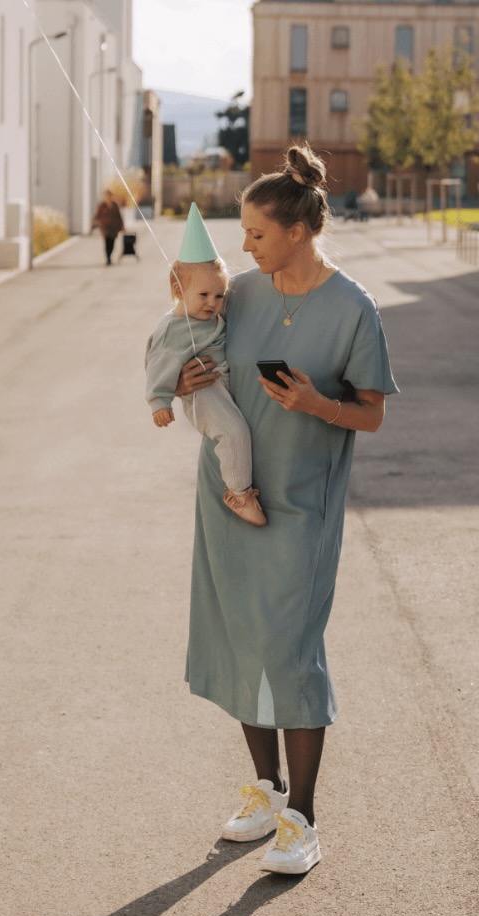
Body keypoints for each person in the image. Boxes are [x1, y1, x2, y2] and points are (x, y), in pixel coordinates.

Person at [174, 143, 398, 876]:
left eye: (256, 234)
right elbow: (194, 352)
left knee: (293, 653)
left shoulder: (353, 308)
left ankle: (303, 819)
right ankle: (266, 791)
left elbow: (370, 415)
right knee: (244, 638)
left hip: (301, 507)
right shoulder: (241, 294)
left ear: (296, 230)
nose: (244, 247)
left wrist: (313, 402)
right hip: (232, 501)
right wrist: (184, 376)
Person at [145, 203, 266, 527]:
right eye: (203, 295)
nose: (212, 303)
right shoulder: (174, 328)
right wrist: (160, 399)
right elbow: (158, 361)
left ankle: (239, 486)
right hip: (203, 392)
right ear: (177, 290)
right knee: (234, 432)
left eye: (219, 295)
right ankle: (239, 494)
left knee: (239, 429)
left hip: (220, 384)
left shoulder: (212, 315)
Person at [92, 189, 124, 265]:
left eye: (109, 196)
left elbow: (119, 216)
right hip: (105, 228)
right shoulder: (102, 205)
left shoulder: (115, 205)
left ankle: (110, 256)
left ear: (111, 196)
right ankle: (108, 258)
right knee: (106, 243)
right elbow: (97, 215)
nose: (107, 197)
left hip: (114, 227)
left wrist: (122, 226)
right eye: (106, 196)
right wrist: (95, 223)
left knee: (112, 243)